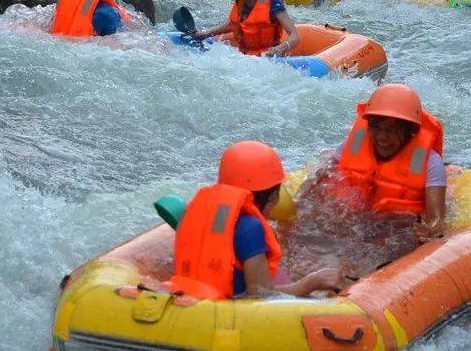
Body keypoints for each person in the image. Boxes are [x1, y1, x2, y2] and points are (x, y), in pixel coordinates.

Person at [170, 140, 343, 299]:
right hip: (225, 314)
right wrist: (312, 282)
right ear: (274, 196)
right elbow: (262, 296)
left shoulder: (193, 211)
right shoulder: (250, 228)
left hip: (185, 301)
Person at [335, 83, 447, 243]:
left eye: (391, 130)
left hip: (398, 230)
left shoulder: (430, 163)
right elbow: (323, 174)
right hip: (357, 223)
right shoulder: (353, 146)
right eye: (377, 128)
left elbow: (437, 218)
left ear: (410, 131)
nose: (382, 137)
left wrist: (430, 231)